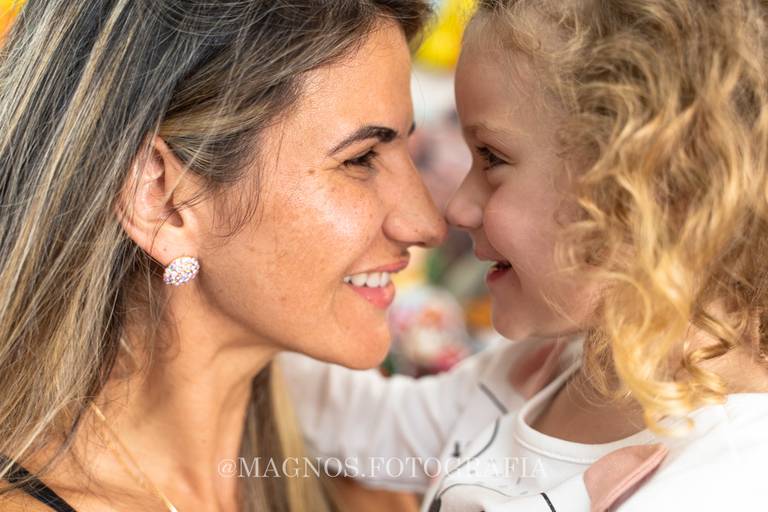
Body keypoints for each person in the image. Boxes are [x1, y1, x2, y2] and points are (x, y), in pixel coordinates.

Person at [281, 0, 768, 510]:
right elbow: (370, 424)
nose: (456, 208)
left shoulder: (733, 475)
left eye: (492, 158)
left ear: (651, 191)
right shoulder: (547, 367)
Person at [0, 1, 446, 511]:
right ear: (162, 199)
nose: (427, 223)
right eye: (360, 158)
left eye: (408, 151)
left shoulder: (359, 475)